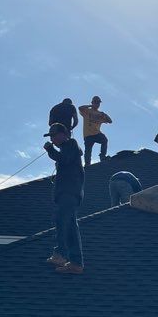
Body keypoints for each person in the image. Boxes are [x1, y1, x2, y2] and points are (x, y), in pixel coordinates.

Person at [42, 122, 84, 274]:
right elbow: (63, 160)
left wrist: (49, 149)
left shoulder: (70, 144)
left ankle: (60, 254)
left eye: (54, 135)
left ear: (63, 134)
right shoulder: (69, 149)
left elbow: (63, 159)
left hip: (68, 192)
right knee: (71, 226)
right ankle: (76, 263)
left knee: (62, 221)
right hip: (70, 192)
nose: (52, 139)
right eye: (51, 137)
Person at [78, 96, 112, 167]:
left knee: (104, 140)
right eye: (96, 102)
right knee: (88, 150)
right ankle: (87, 164)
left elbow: (110, 121)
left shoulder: (100, 114)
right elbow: (80, 108)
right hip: (88, 134)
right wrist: (90, 106)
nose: (97, 104)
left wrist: (104, 115)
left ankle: (102, 156)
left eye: (98, 103)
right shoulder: (87, 111)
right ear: (92, 102)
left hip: (97, 133)